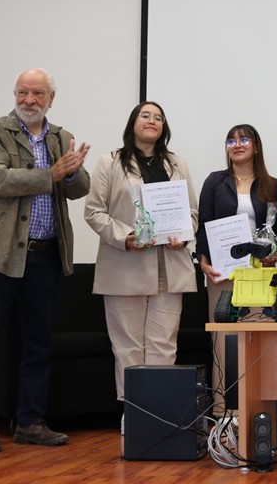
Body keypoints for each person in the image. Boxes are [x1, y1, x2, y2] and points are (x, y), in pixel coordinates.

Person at [0, 68, 91, 453]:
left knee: (38, 344)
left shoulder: (62, 137)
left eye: (38, 93)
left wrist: (70, 174)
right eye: (23, 92)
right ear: (15, 95)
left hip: (44, 256)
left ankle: (30, 422)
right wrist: (51, 173)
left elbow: (79, 188)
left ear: (51, 98)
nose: (29, 100)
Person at [84, 102, 198, 430]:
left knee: (164, 344)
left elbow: (191, 213)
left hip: (170, 267)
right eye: (145, 115)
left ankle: (160, 413)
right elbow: (93, 212)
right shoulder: (109, 162)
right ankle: (134, 413)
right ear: (132, 122)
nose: (152, 120)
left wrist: (182, 234)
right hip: (125, 266)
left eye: (158, 117)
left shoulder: (177, 164)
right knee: (128, 347)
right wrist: (126, 236)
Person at [195, 124, 277, 416]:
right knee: (224, 342)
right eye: (231, 140)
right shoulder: (215, 182)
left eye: (244, 139)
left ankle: (259, 410)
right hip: (222, 273)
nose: (237, 144)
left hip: (258, 273)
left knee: (258, 338)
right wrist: (203, 262)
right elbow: (204, 225)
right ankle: (224, 412)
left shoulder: (272, 185)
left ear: (256, 146)